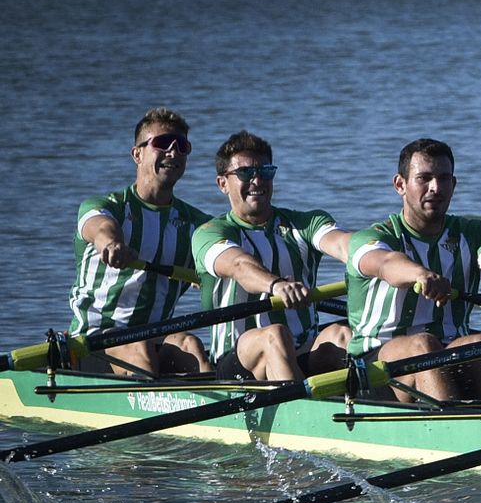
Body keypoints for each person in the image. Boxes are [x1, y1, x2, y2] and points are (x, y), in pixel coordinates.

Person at [346, 138, 481, 403]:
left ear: (454, 184)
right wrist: (420, 274)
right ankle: (450, 430)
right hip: (374, 364)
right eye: (424, 178)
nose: (435, 188)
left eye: (444, 179)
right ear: (400, 185)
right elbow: (385, 264)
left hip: (448, 351)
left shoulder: (474, 233)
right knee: (423, 344)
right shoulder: (373, 237)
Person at [191, 131, 352, 381]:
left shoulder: (304, 223)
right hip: (238, 361)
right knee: (274, 335)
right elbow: (239, 266)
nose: (257, 181)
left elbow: (344, 245)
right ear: (223, 184)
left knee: (341, 334)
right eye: (245, 173)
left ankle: (376, 406)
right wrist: (276, 285)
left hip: (301, 348)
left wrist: (379, 260)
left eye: (265, 172)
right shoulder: (210, 233)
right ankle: (302, 413)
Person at [68, 107, 212, 377]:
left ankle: (220, 411)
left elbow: (227, 251)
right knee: (139, 347)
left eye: (181, 146)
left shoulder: (196, 224)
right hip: (91, 343)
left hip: (154, 336)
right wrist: (111, 244)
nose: (173, 152)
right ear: (137, 154)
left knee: (191, 345)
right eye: (161, 144)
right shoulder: (107, 207)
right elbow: (100, 228)